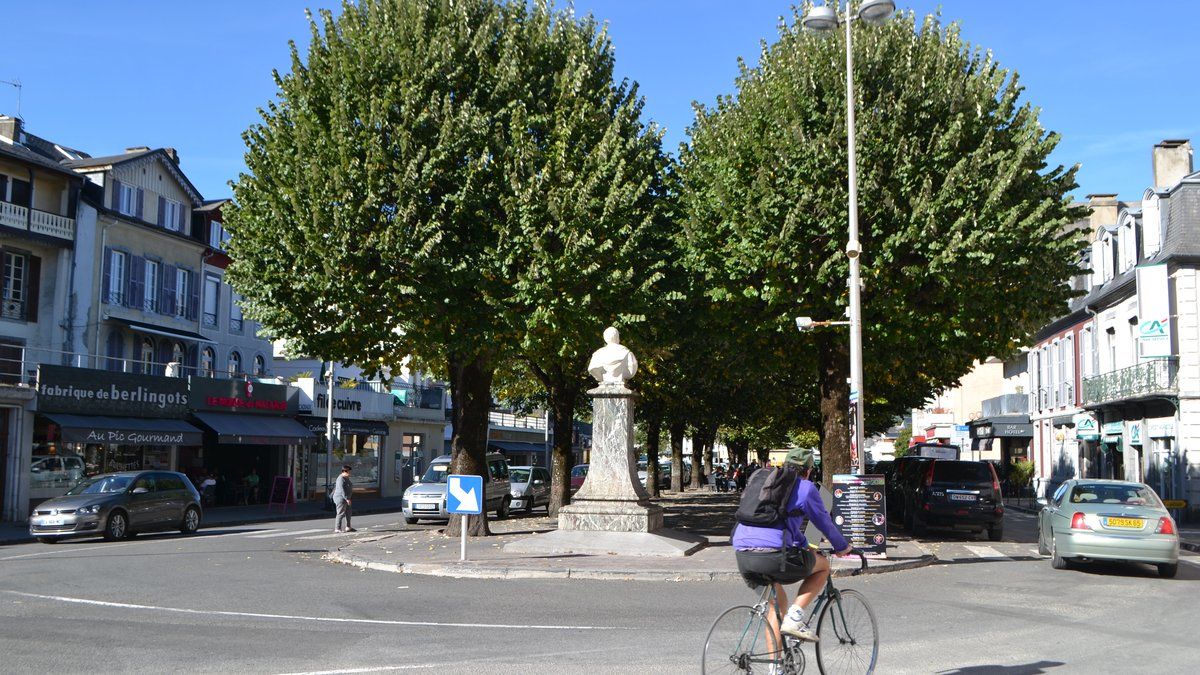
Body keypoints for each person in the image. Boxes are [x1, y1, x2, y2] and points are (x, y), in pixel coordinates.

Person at [731, 447, 852, 647]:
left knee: (776, 606)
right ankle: (795, 618)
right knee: (822, 567)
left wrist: (805, 544)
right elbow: (824, 523)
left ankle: (774, 668)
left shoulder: (768, 486)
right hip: (772, 556)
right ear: (808, 471)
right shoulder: (805, 487)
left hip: (743, 555)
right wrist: (842, 546)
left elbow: (784, 526)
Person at [331, 465, 356, 533]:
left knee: (348, 512)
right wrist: (347, 498)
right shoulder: (340, 479)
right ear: (344, 471)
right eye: (349, 471)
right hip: (340, 498)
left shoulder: (346, 478)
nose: (350, 473)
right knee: (341, 513)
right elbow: (342, 490)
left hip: (347, 498)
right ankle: (337, 528)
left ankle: (348, 527)